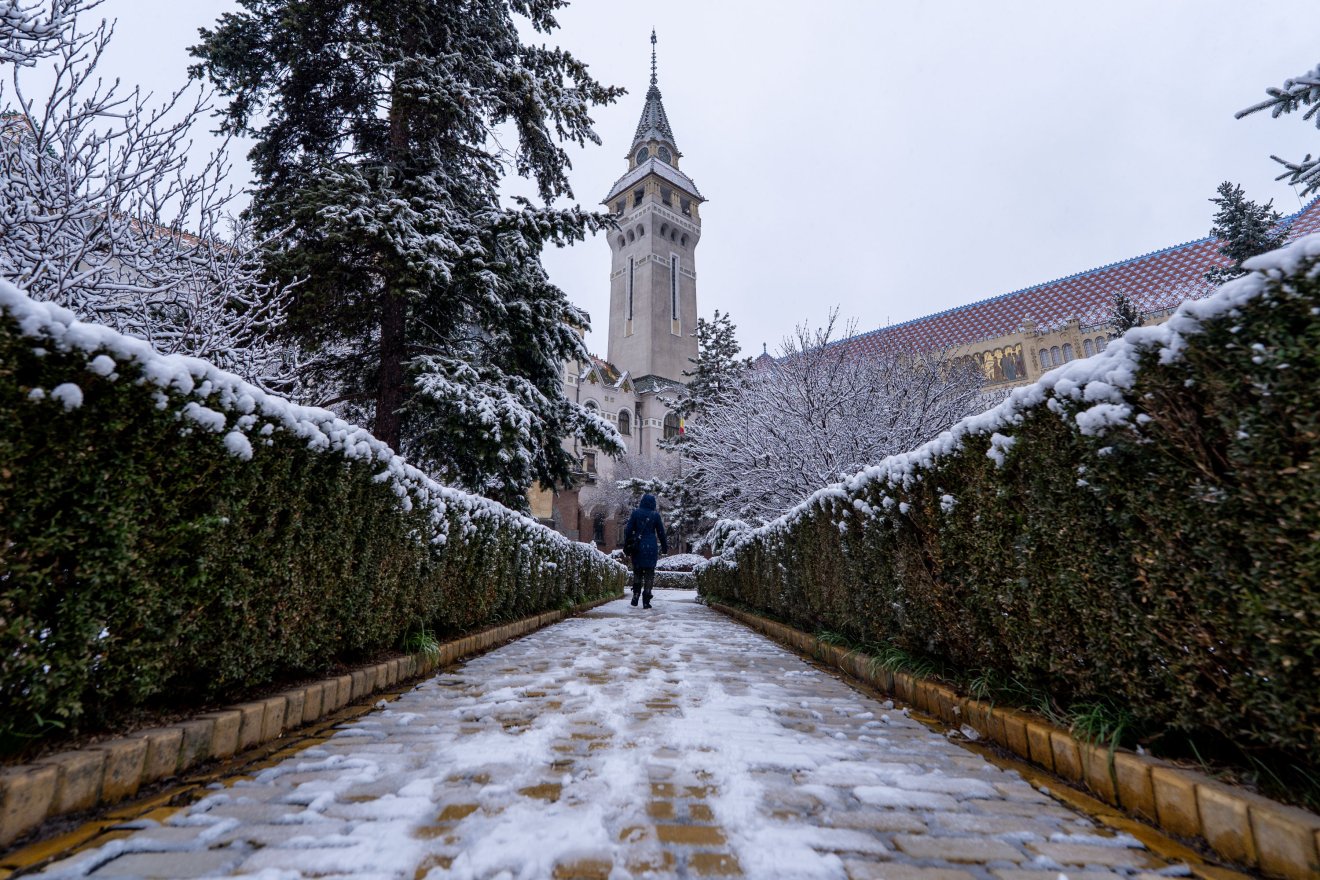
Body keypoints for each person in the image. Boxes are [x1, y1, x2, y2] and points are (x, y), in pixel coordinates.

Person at [624, 493, 667, 609]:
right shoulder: (655, 515)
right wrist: (664, 548)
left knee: (637, 572)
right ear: (653, 503)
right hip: (651, 548)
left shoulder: (636, 513)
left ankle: (636, 594)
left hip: (637, 547)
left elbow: (628, 530)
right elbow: (661, 533)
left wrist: (628, 542)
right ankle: (646, 599)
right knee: (649, 574)